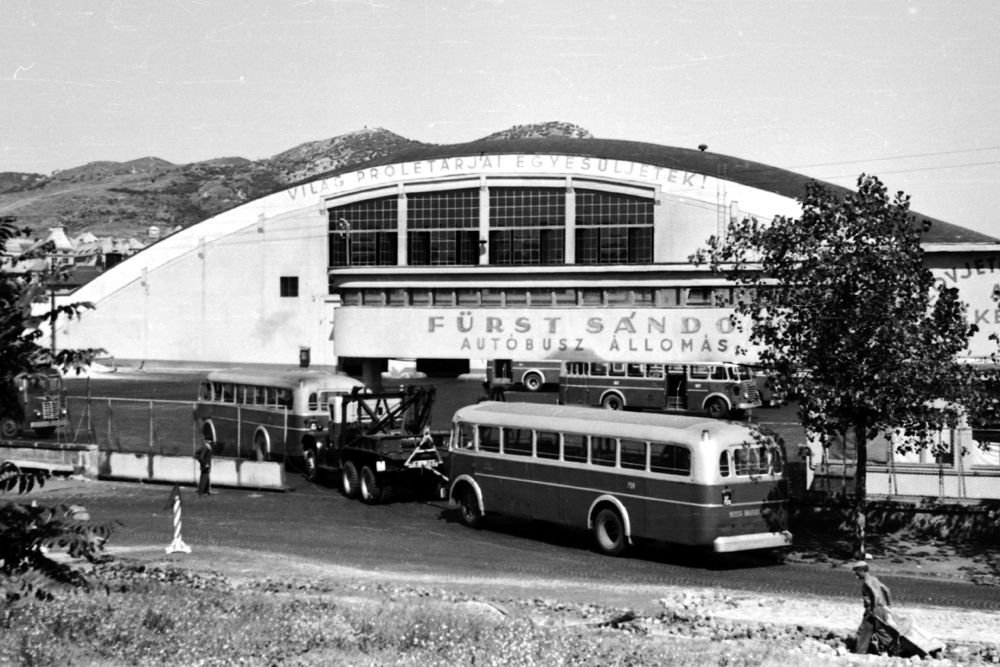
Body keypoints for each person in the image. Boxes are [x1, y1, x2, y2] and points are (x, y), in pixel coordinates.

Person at [852, 561, 897, 654]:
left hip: (873, 610)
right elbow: (887, 590)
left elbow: (875, 595)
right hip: (882, 609)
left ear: (862, 570)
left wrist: (872, 609)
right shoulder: (874, 579)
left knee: (863, 631)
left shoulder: (867, 582)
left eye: (856, 571)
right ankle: (895, 648)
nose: (856, 574)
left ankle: (860, 653)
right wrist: (889, 606)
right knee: (882, 631)